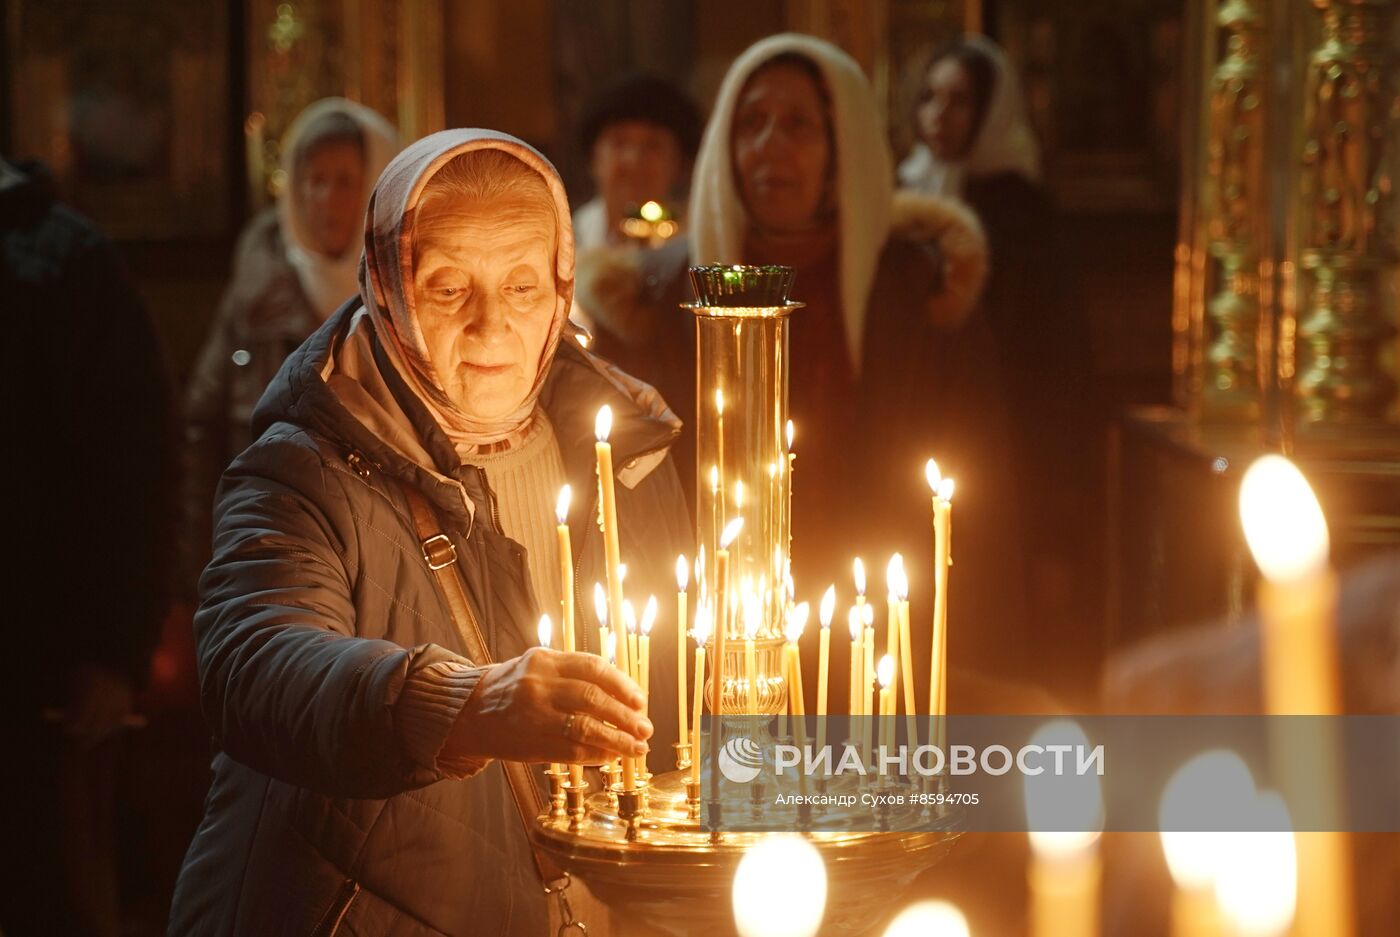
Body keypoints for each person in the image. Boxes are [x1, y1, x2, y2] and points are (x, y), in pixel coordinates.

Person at [169, 129, 688, 936]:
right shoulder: (303, 468)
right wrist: (465, 704)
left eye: (522, 285)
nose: (491, 326)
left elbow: (688, 701)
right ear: (387, 284)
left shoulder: (627, 455)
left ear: (562, 286)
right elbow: (251, 663)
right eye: (449, 289)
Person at [577, 34, 1027, 680]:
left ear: (843, 147)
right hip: (712, 648)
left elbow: (980, 499)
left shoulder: (920, 295)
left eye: (797, 125)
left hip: (886, 639)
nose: (769, 147)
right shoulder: (656, 299)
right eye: (751, 123)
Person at [2, 155, 175, 936]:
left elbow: (133, 468)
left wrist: (111, 651)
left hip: (33, 657)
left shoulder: (60, 260)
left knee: (49, 887)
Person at [901, 37, 1098, 638]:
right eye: (930, 97)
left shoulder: (1018, 210)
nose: (940, 114)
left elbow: (1052, 362)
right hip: (919, 423)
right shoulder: (904, 191)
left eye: (960, 101)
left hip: (1007, 432)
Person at [181, 99, 398, 593]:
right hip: (271, 548)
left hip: (384, 557)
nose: (326, 199)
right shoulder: (258, 289)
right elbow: (204, 423)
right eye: (314, 180)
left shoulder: (406, 290)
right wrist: (193, 572)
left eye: (345, 181)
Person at [572, 72, 703, 253]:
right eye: (620, 143)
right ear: (593, 158)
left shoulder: (695, 247)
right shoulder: (565, 241)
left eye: (652, 145)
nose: (634, 160)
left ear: (678, 163)